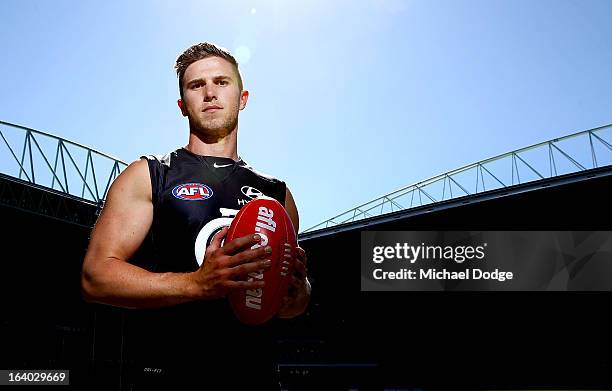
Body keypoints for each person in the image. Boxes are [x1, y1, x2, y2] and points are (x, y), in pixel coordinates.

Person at [81, 42, 310, 390]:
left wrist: (297, 293)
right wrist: (197, 284)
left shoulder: (277, 195)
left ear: (243, 97)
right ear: (182, 106)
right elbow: (95, 277)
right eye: (196, 85)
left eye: (221, 82)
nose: (210, 93)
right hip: (170, 379)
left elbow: (293, 304)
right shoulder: (150, 174)